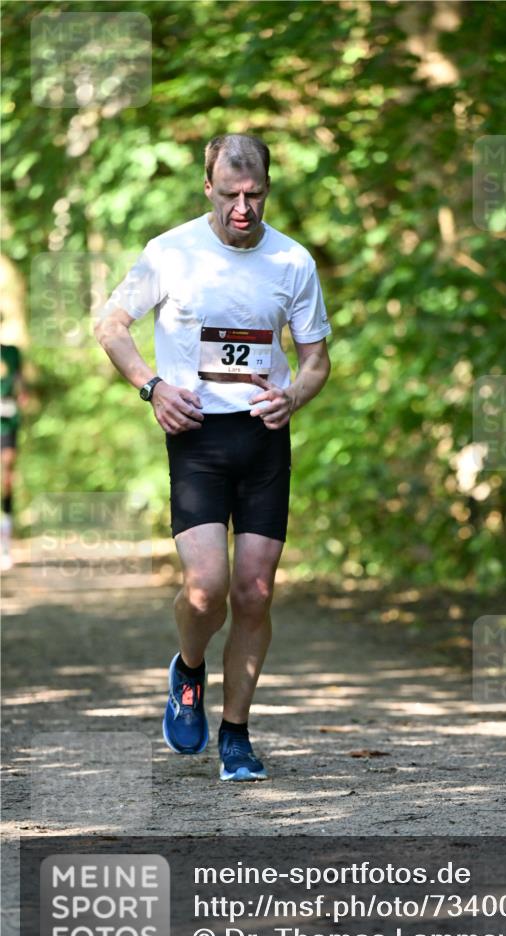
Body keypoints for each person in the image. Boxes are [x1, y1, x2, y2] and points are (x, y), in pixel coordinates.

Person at [95, 134, 331, 782]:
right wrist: (152, 387)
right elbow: (111, 326)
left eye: (254, 195)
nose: (242, 208)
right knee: (206, 590)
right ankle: (189, 669)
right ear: (208, 188)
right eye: (230, 194)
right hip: (196, 434)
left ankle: (236, 736)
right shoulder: (169, 253)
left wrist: (293, 395)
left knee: (255, 591)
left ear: (268, 190)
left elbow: (315, 358)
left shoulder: (292, 261)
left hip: (263, 434)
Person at [1, 340, 26, 572]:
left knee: (6, 479)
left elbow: (21, 387)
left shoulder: (11, 353)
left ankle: (5, 545)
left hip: (7, 424)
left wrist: (21, 396)